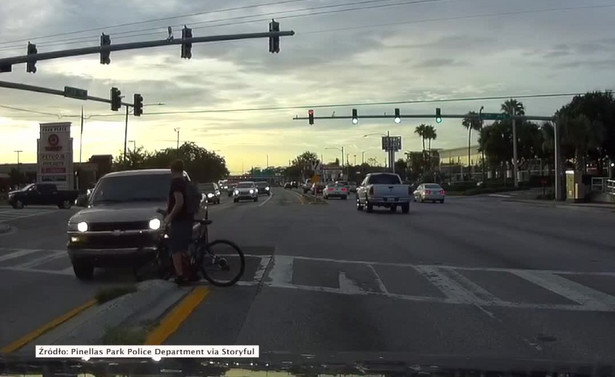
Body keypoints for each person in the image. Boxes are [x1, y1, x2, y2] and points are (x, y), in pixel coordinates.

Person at [163, 159, 194, 285]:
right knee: (183, 248)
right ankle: (190, 272)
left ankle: (180, 275)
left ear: (172, 169)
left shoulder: (176, 183)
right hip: (187, 218)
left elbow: (179, 202)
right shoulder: (185, 182)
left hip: (180, 219)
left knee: (175, 248)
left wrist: (169, 217)